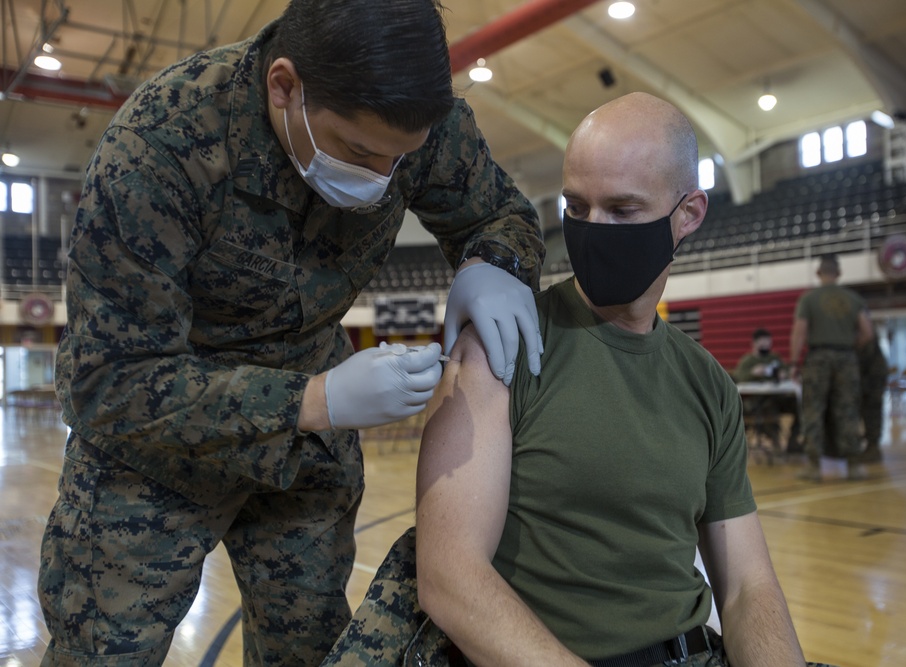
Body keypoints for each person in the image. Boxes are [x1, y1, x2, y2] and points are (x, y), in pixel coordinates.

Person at [37, 1, 546, 665]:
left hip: (301, 464)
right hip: (154, 454)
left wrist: (495, 260)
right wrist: (312, 402)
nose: (383, 177)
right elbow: (110, 379)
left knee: (308, 652)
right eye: (361, 151)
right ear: (285, 87)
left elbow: (502, 213)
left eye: (402, 159)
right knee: (103, 653)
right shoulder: (161, 145)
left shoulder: (418, 122)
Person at [412, 93, 819, 666]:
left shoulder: (708, 384)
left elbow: (747, 587)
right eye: (576, 208)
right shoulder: (502, 346)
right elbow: (450, 578)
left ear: (689, 215)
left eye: (622, 210)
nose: (592, 230)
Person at [788, 254, 873, 482]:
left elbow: (800, 331)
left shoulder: (809, 299)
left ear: (819, 273)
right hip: (847, 359)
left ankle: (814, 466)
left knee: (813, 410)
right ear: (839, 273)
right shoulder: (853, 299)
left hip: (818, 358)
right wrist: (848, 348)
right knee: (848, 410)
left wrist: (794, 362)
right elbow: (867, 332)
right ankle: (854, 465)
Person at [734, 328, 792, 452]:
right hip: (755, 401)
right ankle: (775, 441)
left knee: (800, 405)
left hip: (777, 397)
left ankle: (794, 445)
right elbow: (738, 377)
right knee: (768, 407)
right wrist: (752, 373)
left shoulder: (775, 358)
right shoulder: (748, 361)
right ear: (754, 343)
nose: (766, 345)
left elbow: (786, 371)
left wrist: (784, 374)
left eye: (768, 342)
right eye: (762, 342)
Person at [856, 336, 889, 462]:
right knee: (864, 409)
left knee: (872, 410)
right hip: (866, 371)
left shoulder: (859, 327)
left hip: (872, 372)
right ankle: (866, 445)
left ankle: (873, 448)